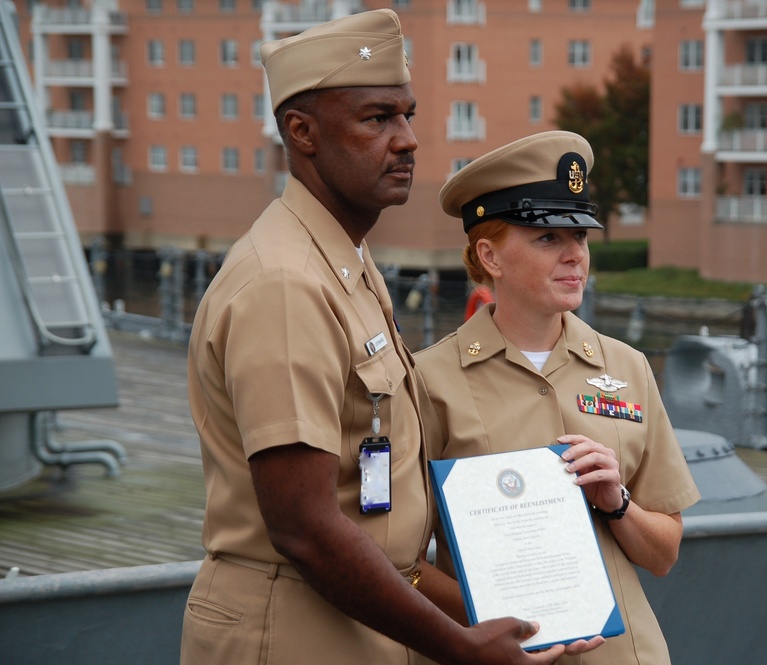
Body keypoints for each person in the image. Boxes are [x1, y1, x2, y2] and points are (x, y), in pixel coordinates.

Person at [180, 12, 594, 665]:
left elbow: (368, 495)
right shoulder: (286, 284)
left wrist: (529, 617)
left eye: (407, 115)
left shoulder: (345, 261)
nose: (406, 141)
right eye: (377, 119)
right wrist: (461, 646)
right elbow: (305, 528)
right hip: (293, 630)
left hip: (365, 618)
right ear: (302, 132)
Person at [414, 131, 702, 664]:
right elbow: (401, 561)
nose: (575, 255)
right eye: (548, 239)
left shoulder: (627, 368)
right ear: (489, 256)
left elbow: (664, 554)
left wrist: (618, 504)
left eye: (582, 238)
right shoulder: (428, 381)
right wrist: (501, 621)